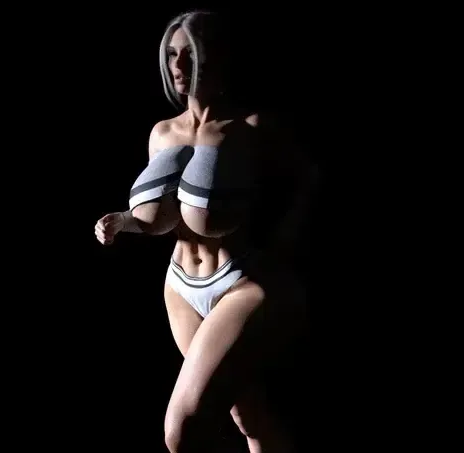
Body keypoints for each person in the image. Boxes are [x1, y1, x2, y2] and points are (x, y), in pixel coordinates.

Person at [95, 10, 319, 453]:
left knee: (182, 429)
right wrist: (121, 221)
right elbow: (164, 214)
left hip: (240, 282)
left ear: (216, 56)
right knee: (248, 416)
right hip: (180, 287)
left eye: (191, 54)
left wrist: (285, 241)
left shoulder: (249, 128)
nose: (179, 65)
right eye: (172, 54)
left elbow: (309, 177)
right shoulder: (162, 133)